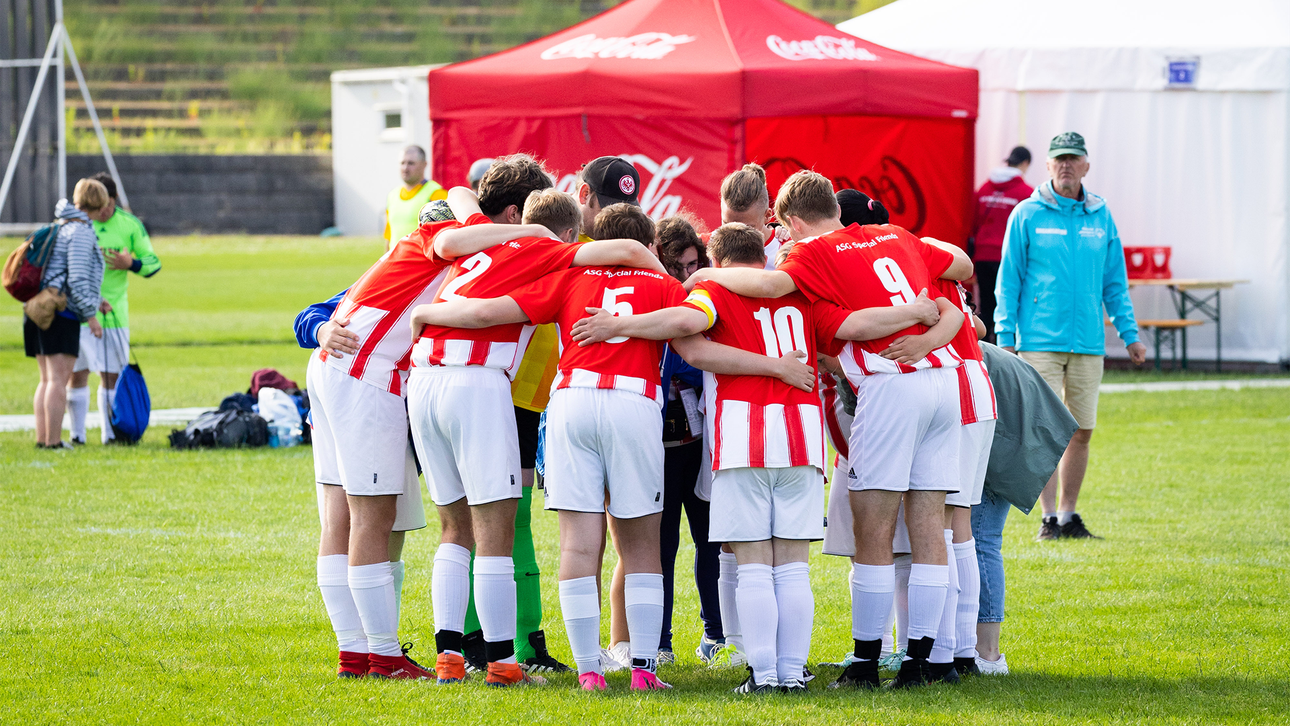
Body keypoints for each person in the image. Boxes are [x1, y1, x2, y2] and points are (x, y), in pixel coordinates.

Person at [685, 171, 972, 689]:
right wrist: (925, 333)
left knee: (873, 528)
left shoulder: (811, 252)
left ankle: (866, 662)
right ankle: (927, 660)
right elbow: (957, 286)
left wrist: (704, 275)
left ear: (792, 222)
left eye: (783, 229)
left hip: (889, 384)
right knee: (931, 524)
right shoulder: (897, 234)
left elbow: (773, 287)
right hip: (944, 381)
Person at [406, 175, 665, 688]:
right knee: (495, 531)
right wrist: (661, 276)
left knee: (453, 528)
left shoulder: (480, 235)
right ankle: (504, 664)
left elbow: (459, 196)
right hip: (477, 377)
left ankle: (449, 657)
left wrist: (426, 313)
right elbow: (630, 250)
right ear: (569, 234)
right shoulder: (551, 251)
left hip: (423, 377)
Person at [306, 188, 548, 681]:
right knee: (372, 517)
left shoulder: (414, 254)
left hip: (337, 370)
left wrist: (317, 327)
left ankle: (356, 652)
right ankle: (380, 655)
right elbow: (456, 235)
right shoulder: (441, 236)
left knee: (341, 517)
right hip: (367, 373)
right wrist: (534, 232)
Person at [995, 132, 1148, 541]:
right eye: (1059, 158)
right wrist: (1005, 334)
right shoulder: (1026, 213)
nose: (1066, 165)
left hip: (1088, 341)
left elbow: (1114, 282)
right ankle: (1048, 519)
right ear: (1047, 165)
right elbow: (1009, 280)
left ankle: (1068, 516)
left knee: (1082, 429)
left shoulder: (1101, 215)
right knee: (1044, 430)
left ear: (1086, 166)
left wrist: (1130, 335)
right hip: (1038, 341)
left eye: (1073, 158)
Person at [972, 341, 1078, 674]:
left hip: (1006, 421)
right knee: (976, 538)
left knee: (980, 537)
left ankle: (988, 654)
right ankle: (971, 648)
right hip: (1003, 410)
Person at [67, 172, 161, 446]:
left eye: (108, 204)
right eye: (100, 205)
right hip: (79, 314)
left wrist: (131, 264)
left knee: (112, 375)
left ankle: (110, 435)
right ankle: (77, 435)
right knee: (77, 373)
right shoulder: (77, 227)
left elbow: (153, 263)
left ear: (114, 199)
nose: (104, 211)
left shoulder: (130, 225)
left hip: (114, 314)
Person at [27, 180, 110, 449]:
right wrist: (90, 315)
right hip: (61, 314)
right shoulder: (81, 231)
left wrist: (97, 301)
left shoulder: (61, 224)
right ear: (100, 203)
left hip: (40, 309)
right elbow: (76, 279)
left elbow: (62, 274)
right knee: (58, 381)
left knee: (46, 380)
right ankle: (53, 442)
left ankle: (43, 439)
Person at [969, 147, 1032, 342]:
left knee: (986, 306)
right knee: (1008, 304)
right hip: (1008, 258)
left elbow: (973, 223)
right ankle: (1004, 347)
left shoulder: (984, 188)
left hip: (983, 256)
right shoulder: (1026, 192)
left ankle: (983, 350)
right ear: (1025, 164)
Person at [718, 163, 791, 269]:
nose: (735, 236)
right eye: (727, 225)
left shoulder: (788, 251)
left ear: (767, 216)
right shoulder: (706, 246)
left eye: (747, 228)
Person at [384, 145, 447, 249]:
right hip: (395, 258)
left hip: (420, 258)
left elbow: (445, 235)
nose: (405, 168)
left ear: (424, 165)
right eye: (402, 163)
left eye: (411, 163)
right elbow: (389, 235)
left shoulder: (436, 193)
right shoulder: (392, 195)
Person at [576, 156, 641, 241]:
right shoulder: (559, 231)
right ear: (585, 194)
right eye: (609, 212)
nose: (618, 223)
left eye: (628, 214)